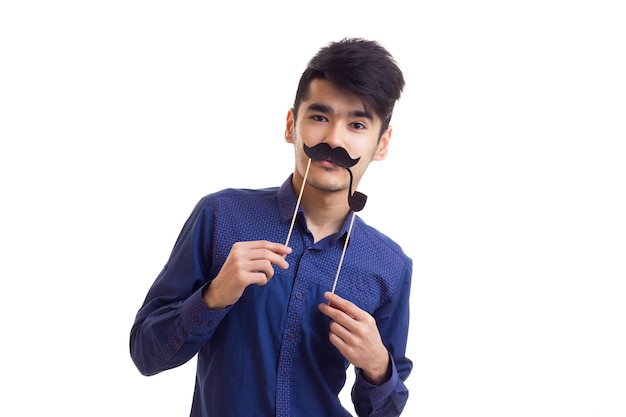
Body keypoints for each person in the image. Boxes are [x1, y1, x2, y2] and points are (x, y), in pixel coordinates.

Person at [130, 37, 413, 417]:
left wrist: (377, 366)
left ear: (381, 144)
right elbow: (147, 356)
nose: (333, 139)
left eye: (357, 124)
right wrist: (215, 295)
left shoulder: (390, 267)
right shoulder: (220, 216)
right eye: (319, 117)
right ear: (291, 125)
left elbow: (382, 411)